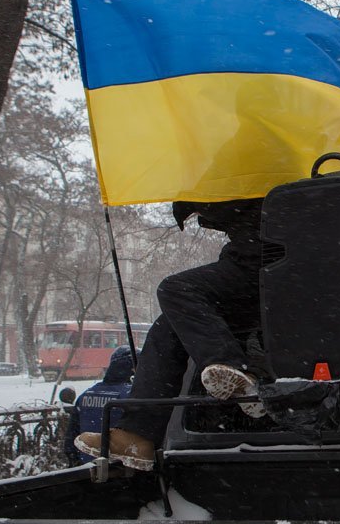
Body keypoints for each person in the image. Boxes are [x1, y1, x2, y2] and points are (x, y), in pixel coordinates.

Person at [75, 197, 268, 470]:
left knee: (176, 289)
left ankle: (235, 370)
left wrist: (191, 201)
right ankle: (138, 434)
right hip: (262, 267)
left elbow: (235, 201)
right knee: (167, 326)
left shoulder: (254, 171)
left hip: (265, 264)